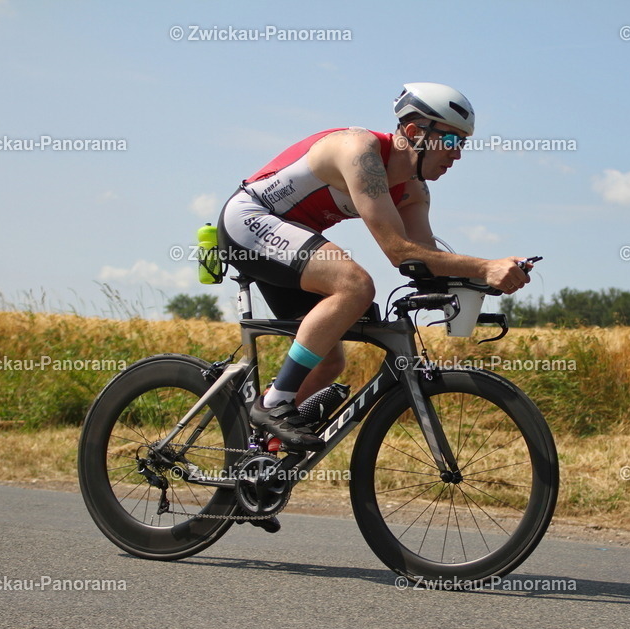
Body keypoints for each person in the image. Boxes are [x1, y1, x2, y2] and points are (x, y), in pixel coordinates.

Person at [217, 82, 531, 452]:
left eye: (463, 144)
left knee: (329, 360)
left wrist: (479, 282)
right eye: (451, 141)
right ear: (414, 133)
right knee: (354, 285)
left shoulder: (414, 191)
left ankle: (259, 458)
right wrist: (483, 267)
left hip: (292, 239)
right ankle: (274, 405)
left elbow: (420, 260)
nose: (457, 154)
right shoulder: (360, 151)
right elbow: (397, 251)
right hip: (250, 220)